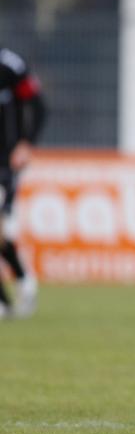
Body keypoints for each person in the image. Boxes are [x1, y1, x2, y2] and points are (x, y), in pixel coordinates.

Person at [0, 46, 45, 319]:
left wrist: (26, 143)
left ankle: (21, 282)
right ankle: (17, 289)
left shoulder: (10, 66)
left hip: (4, 164)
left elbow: (38, 106)